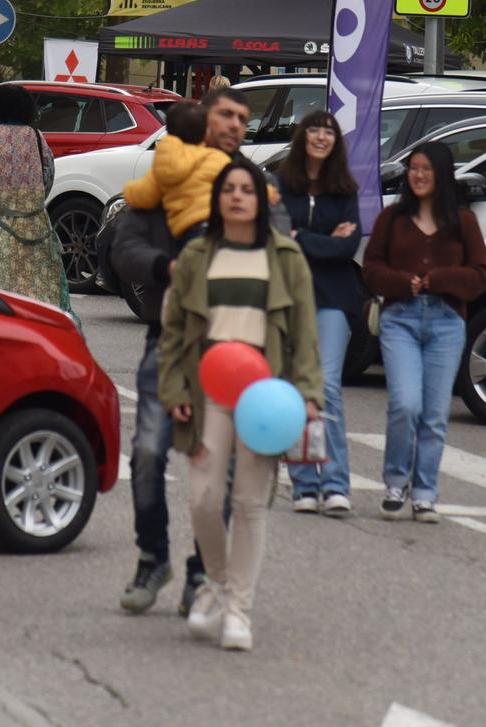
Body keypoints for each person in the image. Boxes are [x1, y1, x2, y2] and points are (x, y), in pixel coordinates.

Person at [113, 85, 268, 618]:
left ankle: (203, 571)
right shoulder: (169, 173)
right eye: (224, 115)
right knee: (150, 451)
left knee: (216, 467)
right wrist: (166, 266)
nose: (233, 125)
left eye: (241, 119)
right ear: (204, 121)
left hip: (232, 346)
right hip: (169, 338)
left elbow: (283, 251)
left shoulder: (250, 185)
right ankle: (152, 557)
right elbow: (123, 245)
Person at [158, 159, 322, 653]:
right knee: (204, 499)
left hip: (264, 398)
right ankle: (216, 582)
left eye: (245, 190)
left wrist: (309, 395)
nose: (236, 197)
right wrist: (175, 391)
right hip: (208, 395)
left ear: (259, 199)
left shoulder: (286, 257)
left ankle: (238, 612)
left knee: (249, 504)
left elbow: (305, 334)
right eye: (228, 189)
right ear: (218, 199)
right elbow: (172, 332)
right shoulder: (196, 257)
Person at [362, 141, 486, 523]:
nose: (418, 176)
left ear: (442, 176)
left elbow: (480, 274)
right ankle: (395, 481)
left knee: (434, 413)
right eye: (414, 168)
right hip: (400, 318)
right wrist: (404, 283)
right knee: (405, 404)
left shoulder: (463, 221)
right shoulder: (392, 219)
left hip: (446, 322)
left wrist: (439, 280)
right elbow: (371, 269)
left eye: (426, 170)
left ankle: (424, 493)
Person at [277, 110, 363, 518]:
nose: (321, 136)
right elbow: (276, 240)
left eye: (328, 131)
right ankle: (304, 485)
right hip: (290, 298)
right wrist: (321, 240)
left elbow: (346, 250)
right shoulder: (282, 185)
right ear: (302, 137)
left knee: (326, 387)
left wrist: (301, 238)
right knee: (296, 391)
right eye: (314, 129)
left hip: (334, 298)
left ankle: (335, 483)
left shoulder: (344, 190)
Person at [0, 84, 68, 309]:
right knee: (37, 285)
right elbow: (48, 174)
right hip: (36, 226)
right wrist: (34, 199)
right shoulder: (37, 136)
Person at [121, 101, 228, 240]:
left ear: (168, 131)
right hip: (217, 224)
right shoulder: (216, 157)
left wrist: (128, 190)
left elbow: (145, 195)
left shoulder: (164, 160)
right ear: (206, 132)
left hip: (186, 229)